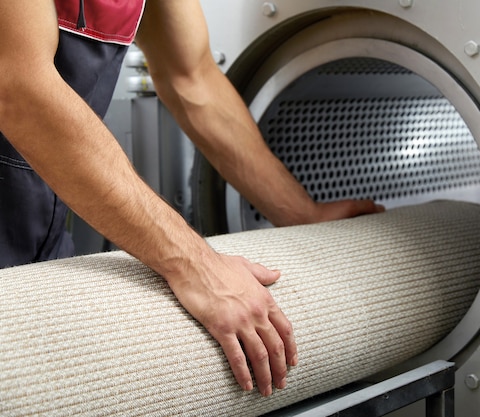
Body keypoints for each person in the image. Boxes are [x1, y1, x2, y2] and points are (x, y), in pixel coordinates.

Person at [0, 0, 383, 398]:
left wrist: (303, 214)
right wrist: (196, 266)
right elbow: (21, 89)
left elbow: (193, 78)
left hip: (42, 211)